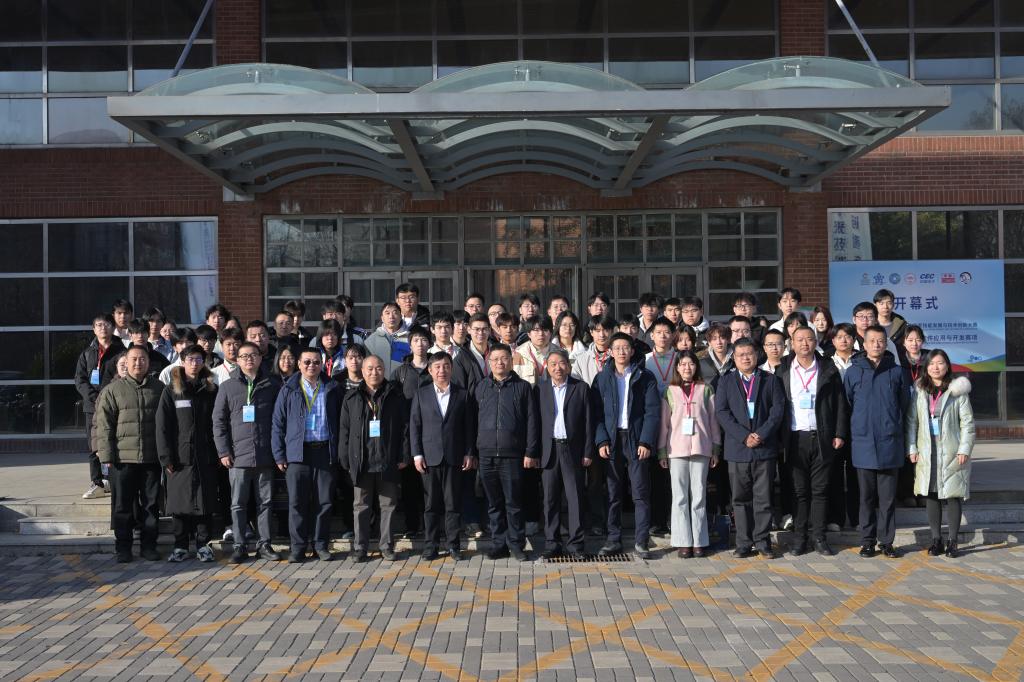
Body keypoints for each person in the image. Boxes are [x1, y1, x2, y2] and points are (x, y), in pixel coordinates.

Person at [777, 326, 849, 557]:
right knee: (799, 491)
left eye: (809, 339)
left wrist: (839, 433)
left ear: (816, 342)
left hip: (822, 437)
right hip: (794, 438)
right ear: (792, 343)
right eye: (799, 339)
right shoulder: (782, 369)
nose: (805, 343)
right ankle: (800, 538)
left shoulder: (828, 368)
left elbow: (840, 403)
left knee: (820, 490)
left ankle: (819, 537)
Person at [714, 338, 786, 558]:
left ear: (757, 355)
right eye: (741, 355)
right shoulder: (725, 381)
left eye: (749, 354)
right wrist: (744, 436)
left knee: (763, 498)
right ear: (734, 358)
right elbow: (722, 412)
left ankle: (762, 541)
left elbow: (777, 411)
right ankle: (743, 542)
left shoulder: (771, 380)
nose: (745, 358)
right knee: (740, 499)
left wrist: (761, 434)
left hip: (764, 448)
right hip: (738, 448)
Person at [212, 341, 283, 563]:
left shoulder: (273, 384)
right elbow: (218, 422)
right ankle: (239, 546)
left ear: (261, 358)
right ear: (237, 360)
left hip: (265, 455)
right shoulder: (227, 386)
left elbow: (280, 421)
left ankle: (264, 545)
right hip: (238, 457)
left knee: (266, 503)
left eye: (253, 355)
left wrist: (278, 452)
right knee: (238, 503)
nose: (249, 359)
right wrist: (223, 451)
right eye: (243, 356)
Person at [844, 325, 910, 559]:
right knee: (866, 498)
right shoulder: (853, 372)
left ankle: (887, 542)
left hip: (890, 442)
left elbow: (904, 405)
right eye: (872, 341)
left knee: (888, 499)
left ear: (886, 344)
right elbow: (848, 404)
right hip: (863, 443)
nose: (876, 344)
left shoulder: (897, 372)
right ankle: (867, 542)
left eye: (881, 341)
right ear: (864, 344)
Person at [592, 332, 661, 559]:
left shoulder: (645, 377)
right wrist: (601, 440)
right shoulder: (602, 378)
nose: (622, 352)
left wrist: (646, 440)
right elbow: (596, 414)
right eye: (617, 348)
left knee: (640, 493)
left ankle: (641, 541)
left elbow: (652, 412)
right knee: (613, 494)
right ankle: (613, 540)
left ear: (632, 350)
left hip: (636, 439)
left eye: (625, 347)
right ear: (610, 352)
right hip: (612, 440)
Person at [94, 346, 165, 563]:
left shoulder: (159, 388)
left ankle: (149, 546)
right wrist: (106, 456)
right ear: (126, 362)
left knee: (151, 506)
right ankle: (123, 548)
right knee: (122, 507)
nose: (138, 363)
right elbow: (104, 426)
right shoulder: (113, 390)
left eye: (142, 359)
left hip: (152, 458)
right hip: (122, 460)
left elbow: (167, 423)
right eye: (134, 359)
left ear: (148, 362)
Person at [272, 348, 342, 562]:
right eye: (307, 362)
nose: (312, 366)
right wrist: (279, 455)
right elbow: (278, 423)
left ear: (322, 364)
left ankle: (321, 545)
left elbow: (342, 421)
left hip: (324, 452)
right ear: (299, 365)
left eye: (316, 362)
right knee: (296, 502)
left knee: (324, 502)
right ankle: (298, 547)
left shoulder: (332, 387)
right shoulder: (289, 389)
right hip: (298, 453)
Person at [338, 355, 409, 562]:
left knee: (388, 505)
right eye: (369, 369)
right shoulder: (351, 397)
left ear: (384, 370)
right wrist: (345, 458)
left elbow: (405, 428)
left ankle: (386, 545)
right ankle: (360, 547)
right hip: (362, 461)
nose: (374, 372)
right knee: (361, 506)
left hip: (388, 460)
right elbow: (344, 430)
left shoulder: (395, 395)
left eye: (378, 368)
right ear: (362, 371)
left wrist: (404, 454)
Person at [906, 349, 975, 559]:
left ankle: (953, 541)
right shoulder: (920, 390)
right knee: (932, 495)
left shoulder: (957, 390)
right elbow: (911, 421)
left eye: (940, 363)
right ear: (926, 367)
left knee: (953, 495)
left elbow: (968, 423)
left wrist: (964, 449)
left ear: (947, 366)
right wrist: (912, 447)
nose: (936, 367)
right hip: (927, 449)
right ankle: (936, 540)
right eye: (932, 363)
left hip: (952, 450)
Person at [409, 352, 478, 561]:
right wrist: (417, 454)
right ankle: (430, 546)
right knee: (431, 505)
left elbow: (469, 427)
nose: (442, 370)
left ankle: (453, 545)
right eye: (437, 367)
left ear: (451, 369)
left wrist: (469, 452)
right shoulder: (421, 394)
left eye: (446, 366)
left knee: (452, 504)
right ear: (430, 370)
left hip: (454, 457)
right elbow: (415, 426)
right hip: (429, 458)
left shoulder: (462, 394)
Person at [474, 344, 540, 561]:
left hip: (513, 454)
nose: (499, 363)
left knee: (514, 503)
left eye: (504, 358)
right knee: (494, 504)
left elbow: (532, 421)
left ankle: (517, 544)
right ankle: (498, 544)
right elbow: (472, 420)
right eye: (495, 359)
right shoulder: (481, 387)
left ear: (511, 361)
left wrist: (530, 451)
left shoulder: (523, 387)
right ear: (489, 362)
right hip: (486, 455)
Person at [156, 345, 220, 563]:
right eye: (191, 359)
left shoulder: (211, 389)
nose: (195, 363)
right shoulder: (171, 390)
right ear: (182, 362)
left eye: (199, 359)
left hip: (206, 455)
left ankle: (204, 545)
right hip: (179, 457)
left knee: (204, 503)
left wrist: (218, 453)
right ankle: (180, 546)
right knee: (179, 503)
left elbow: (218, 422)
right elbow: (162, 427)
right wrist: (166, 457)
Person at [657, 350, 720, 558]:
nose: (687, 368)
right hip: (676, 450)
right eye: (683, 364)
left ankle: (699, 541)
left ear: (696, 367)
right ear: (677, 367)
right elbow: (664, 425)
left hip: (701, 448)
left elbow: (713, 421)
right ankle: (683, 541)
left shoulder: (706, 389)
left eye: (691, 364)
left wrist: (716, 448)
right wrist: (662, 452)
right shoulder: (669, 391)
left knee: (699, 495)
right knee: (680, 497)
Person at [535, 349, 593, 559]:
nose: (557, 368)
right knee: (550, 499)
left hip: (573, 450)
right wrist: (534, 452)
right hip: (549, 451)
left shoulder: (581, 388)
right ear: (547, 367)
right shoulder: (539, 389)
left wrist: (588, 451)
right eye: (553, 364)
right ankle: (552, 543)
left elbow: (588, 422)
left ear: (568, 366)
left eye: (561, 363)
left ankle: (576, 544)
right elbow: (535, 423)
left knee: (575, 498)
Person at [75, 314, 126, 499]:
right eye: (99, 325)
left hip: (115, 404)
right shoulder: (87, 353)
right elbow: (80, 379)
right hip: (92, 407)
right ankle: (96, 482)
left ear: (113, 327)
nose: (103, 328)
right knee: (94, 444)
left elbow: (123, 375)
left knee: (115, 442)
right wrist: (95, 398)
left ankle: (113, 480)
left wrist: (108, 396)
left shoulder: (121, 351)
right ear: (93, 329)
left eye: (106, 324)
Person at [644, 316, 677, 537]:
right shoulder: (645, 360)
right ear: (651, 335)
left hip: (678, 422)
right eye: (658, 332)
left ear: (673, 335)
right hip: (654, 421)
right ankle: (657, 521)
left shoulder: (681, 358)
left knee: (676, 475)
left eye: (667, 332)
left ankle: (674, 519)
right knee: (656, 474)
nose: (663, 336)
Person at [826, 322, 859, 532]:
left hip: (858, 424)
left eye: (848, 336)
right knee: (834, 473)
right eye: (839, 337)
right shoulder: (825, 362)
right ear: (833, 340)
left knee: (857, 474)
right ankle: (836, 518)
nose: (844, 340)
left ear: (854, 339)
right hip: (833, 424)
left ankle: (857, 518)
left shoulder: (862, 361)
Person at [363, 301, 411, 379]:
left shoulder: (410, 339)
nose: (391, 316)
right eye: (387, 313)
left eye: (395, 313)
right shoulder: (371, 341)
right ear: (382, 318)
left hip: (404, 382)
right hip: (379, 382)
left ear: (401, 316)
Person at [453, 312, 492, 394]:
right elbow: (459, 390)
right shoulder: (461, 358)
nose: (480, 333)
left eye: (484, 329)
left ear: (489, 330)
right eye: (476, 329)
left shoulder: (497, 353)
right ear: (469, 330)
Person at [514, 316, 559, 386]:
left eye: (545, 330)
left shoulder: (559, 353)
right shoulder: (519, 353)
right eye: (536, 330)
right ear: (529, 334)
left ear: (551, 333)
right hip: (528, 392)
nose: (541, 334)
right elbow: (515, 381)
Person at [572, 314, 615, 387]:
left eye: (606, 330)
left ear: (612, 332)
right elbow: (575, 385)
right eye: (598, 331)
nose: (602, 335)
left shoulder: (618, 356)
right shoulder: (581, 359)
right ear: (591, 332)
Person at [394, 326, 434, 400]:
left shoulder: (436, 369)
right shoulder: (401, 372)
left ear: (429, 344)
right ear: (410, 346)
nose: (420, 344)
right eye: (416, 340)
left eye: (424, 340)